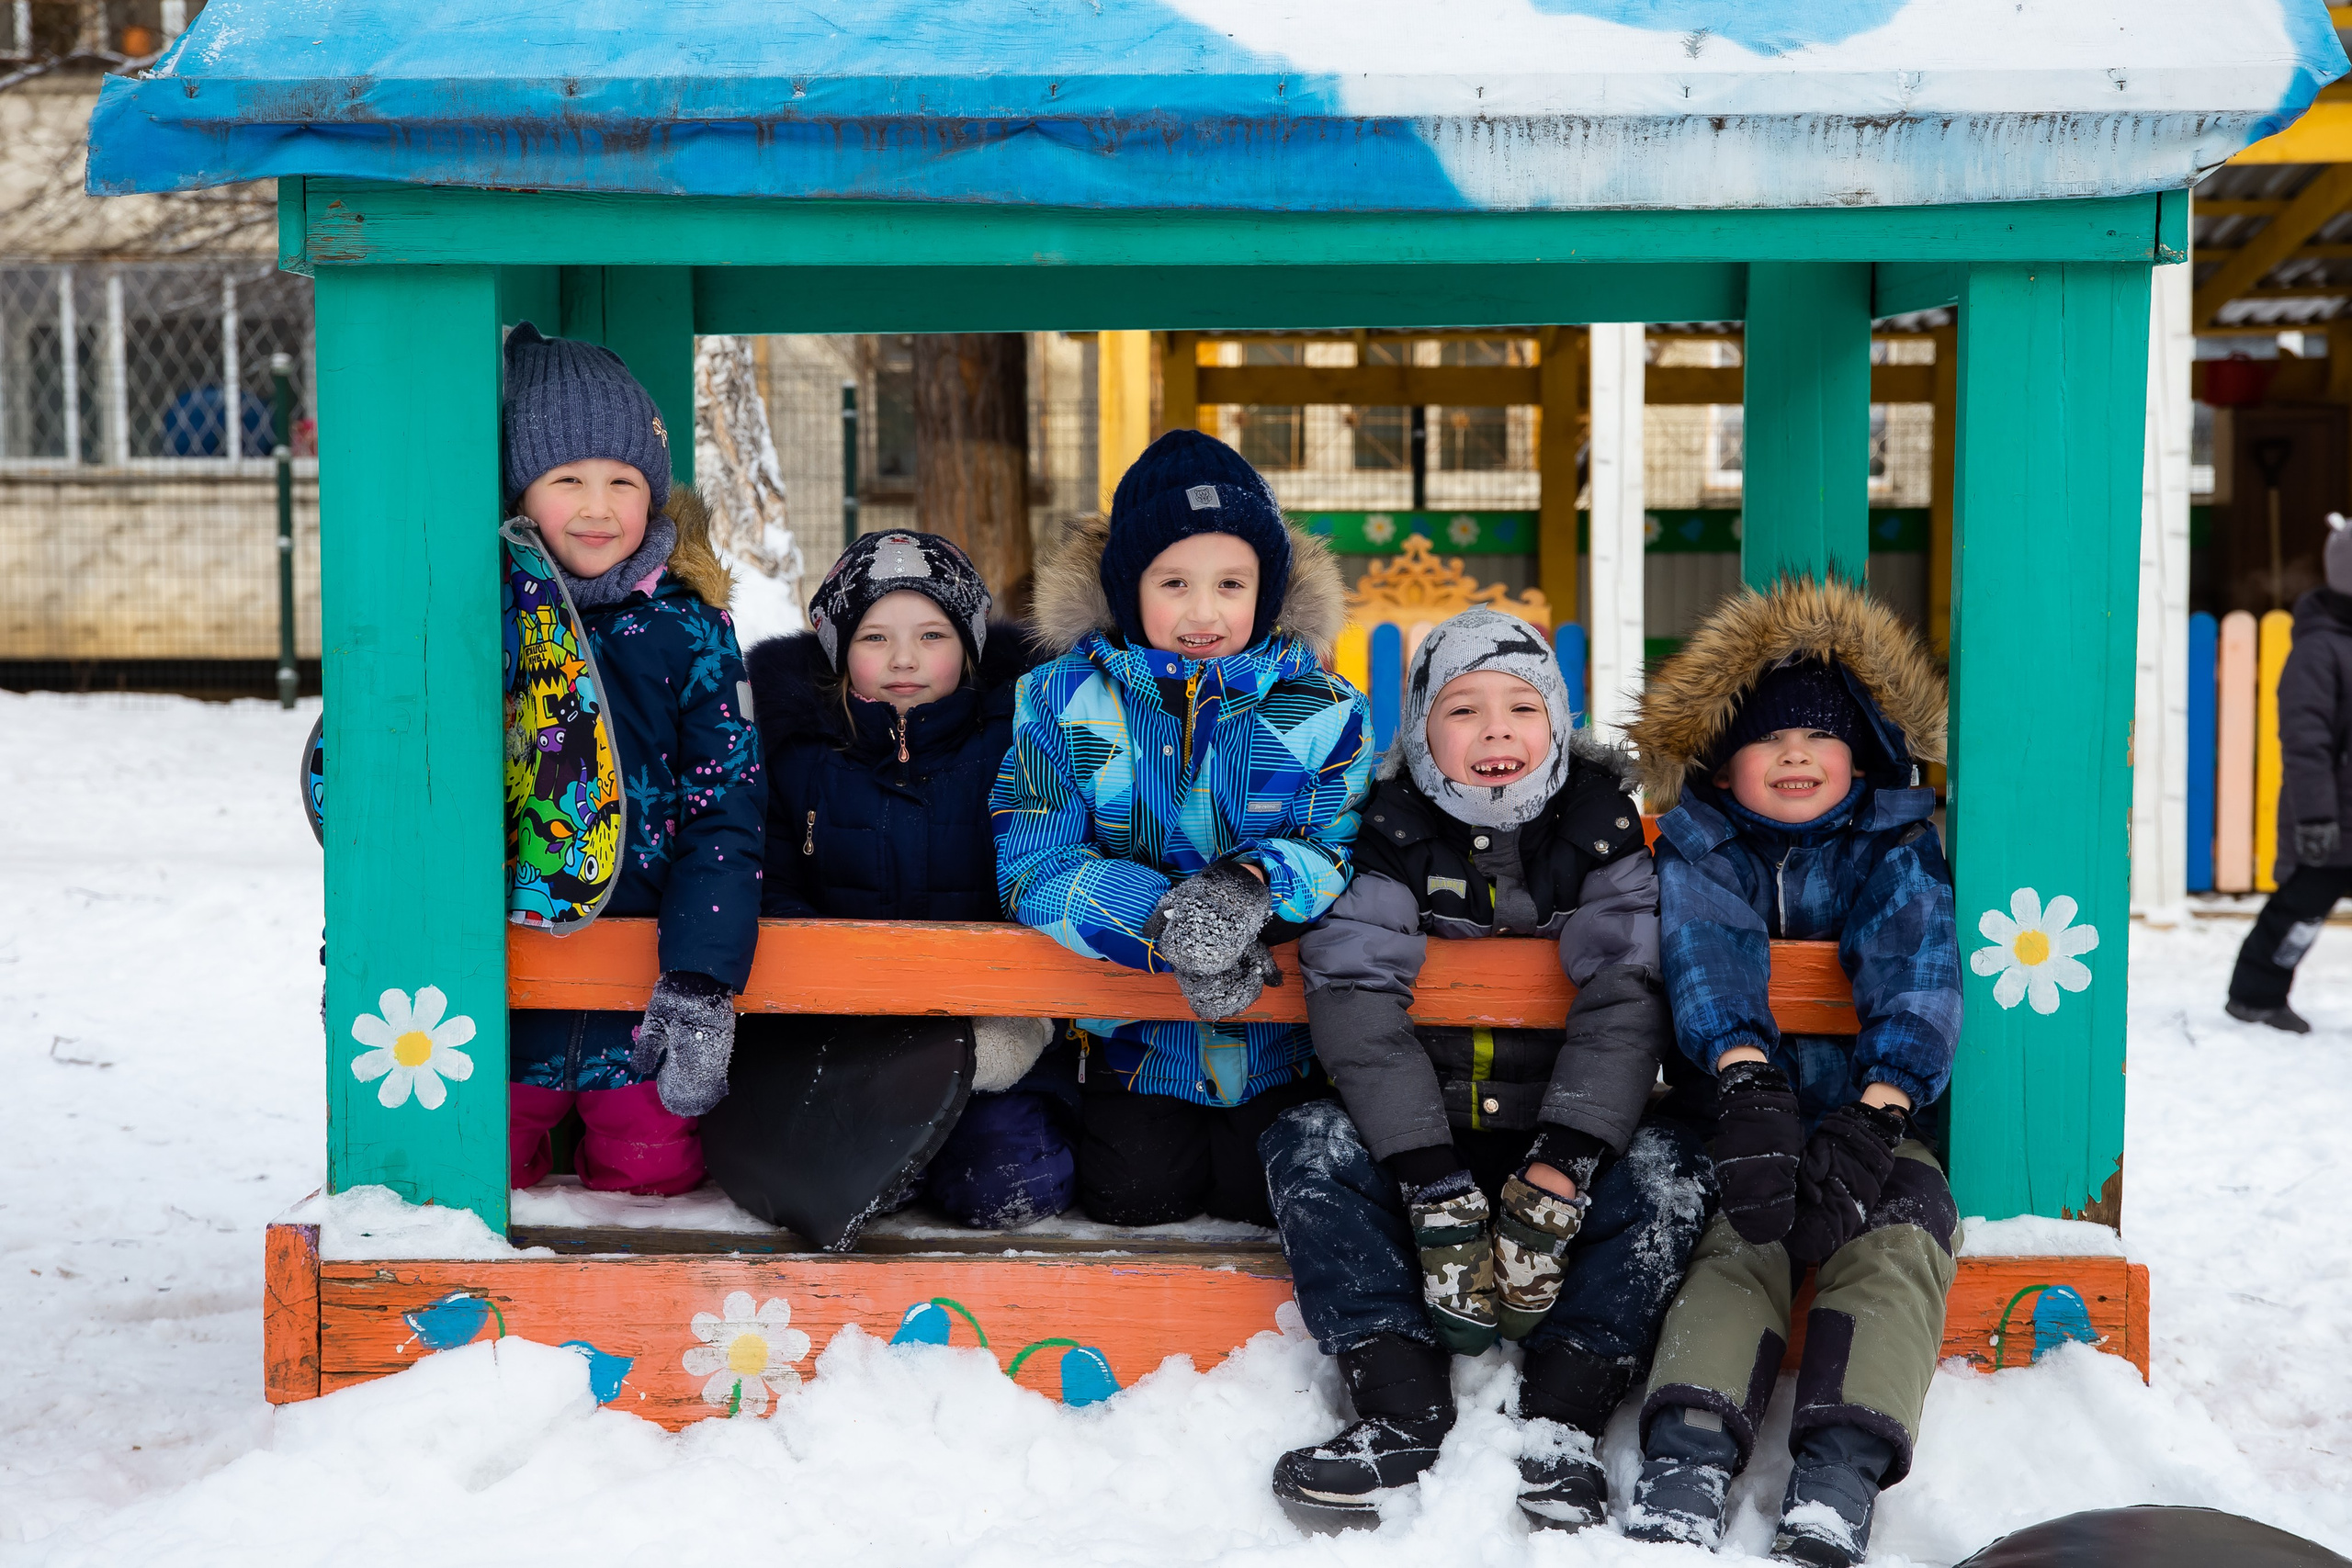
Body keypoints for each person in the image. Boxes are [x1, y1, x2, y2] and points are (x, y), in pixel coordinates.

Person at [1259, 607, 1712, 1531]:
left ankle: (1561, 1421)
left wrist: (1566, 1161)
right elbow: (1352, 990)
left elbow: (1628, 993)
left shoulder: (1599, 830)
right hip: (1422, 1141)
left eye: (1521, 706)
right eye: (1462, 709)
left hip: (1559, 1138)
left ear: (1555, 724)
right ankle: (1399, 1406)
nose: (1496, 730)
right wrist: (1425, 1178)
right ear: (1422, 731)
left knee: (1670, 1168)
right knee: (1306, 1142)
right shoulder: (1386, 832)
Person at [1621, 575, 1962, 1568]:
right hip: (1743, 1118)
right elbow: (1704, 956)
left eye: (1819, 737)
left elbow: (1920, 970)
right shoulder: (1703, 850)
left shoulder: (1893, 845)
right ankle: (1690, 1449)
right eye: (1768, 740)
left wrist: (1878, 1107)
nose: (1797, 754)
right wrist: (1742, 1081)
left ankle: (1840, 1467)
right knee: (1739, 1239)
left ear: (1864, 756)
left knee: (1899, 1237)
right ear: (1723, 769)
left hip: (1871, 1120)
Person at [990, 428, 1373, 1227]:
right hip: (1131, 1044)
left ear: (1266, 590)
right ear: (1130, 589)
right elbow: (1035, 861)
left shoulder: (1322, 710)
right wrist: (1163, 923)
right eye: (1174, 583)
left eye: (1231, 583)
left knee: (1257, 1200)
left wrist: (1247, 888)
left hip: (1280, 1044)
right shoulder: (1060, 702)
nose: (1204, 612)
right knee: (1135, 1200)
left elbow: (1332, 842)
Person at [713, 530, 1074, 1229]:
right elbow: (773, 885)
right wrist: (835, 1009)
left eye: (932, 634)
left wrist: (1014, 1021)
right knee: (846, 1173)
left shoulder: (1017, 741)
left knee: (1006, 1175)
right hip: (843, 1038)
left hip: (988, 1034)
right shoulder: (798, 753)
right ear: (838, 649)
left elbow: (1040, 868)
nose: (905, 659)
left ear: (967, 646)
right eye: (875, 637)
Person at [500, 323, 764, 1195]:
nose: (598, 506)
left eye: (623, 481)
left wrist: (699, 978)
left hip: (642, 1002)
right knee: (480, 1175)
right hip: (503, 992)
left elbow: (725, 809)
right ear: (519, 488)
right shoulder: (487, 617)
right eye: (566, 479)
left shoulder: (689, 628)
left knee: (650, 1178)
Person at [2228, 513, 2352, 1032]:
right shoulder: (2319, 650)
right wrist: (2317, 817)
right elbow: (2305, 743)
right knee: (2299, 913)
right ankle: (2255, 995)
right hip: (2328, 819)